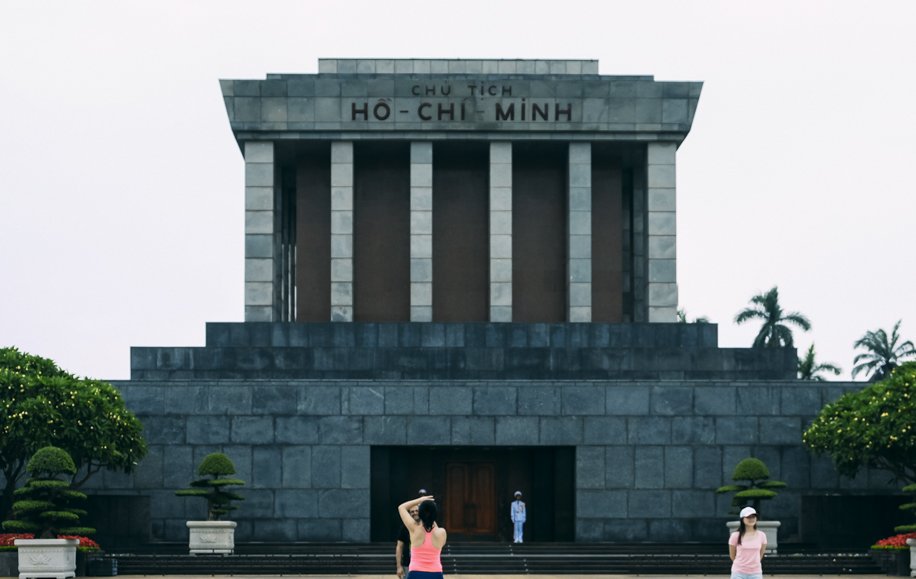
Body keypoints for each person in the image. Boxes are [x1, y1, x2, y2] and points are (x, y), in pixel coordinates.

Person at [398, 494, 446, 579]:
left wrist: (420, 500)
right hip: (436, 574)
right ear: (435, 514)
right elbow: (432, 525)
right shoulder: (442, 533)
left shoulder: (414, 529)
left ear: (420, 514)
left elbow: (401, 507)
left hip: (416, 573)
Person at [728, 506, 767, 579]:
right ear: (742, 519)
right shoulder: (735, 536)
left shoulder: (762, 535)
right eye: (748, 517)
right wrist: (742, 565)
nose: (751, 519)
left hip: (756, 573)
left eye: (753, 516)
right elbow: (732, 555)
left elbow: (760, 554)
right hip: (738, 573)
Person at [396, 504, 420, 578]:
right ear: (409, 514)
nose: (415, 513)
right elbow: (399, 547)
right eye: (412, 512)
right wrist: (399, 566)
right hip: (408, 564)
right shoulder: (404, 527)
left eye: (416, 511)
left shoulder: (425, 525)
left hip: (422, 564)